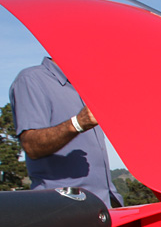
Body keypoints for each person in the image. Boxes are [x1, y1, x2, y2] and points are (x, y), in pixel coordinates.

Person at [9, 57, 119, 207]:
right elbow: (31, 146)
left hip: (105, 207)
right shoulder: (31, 80)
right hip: (62, 211)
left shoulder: (85, 87)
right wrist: (76, 124)